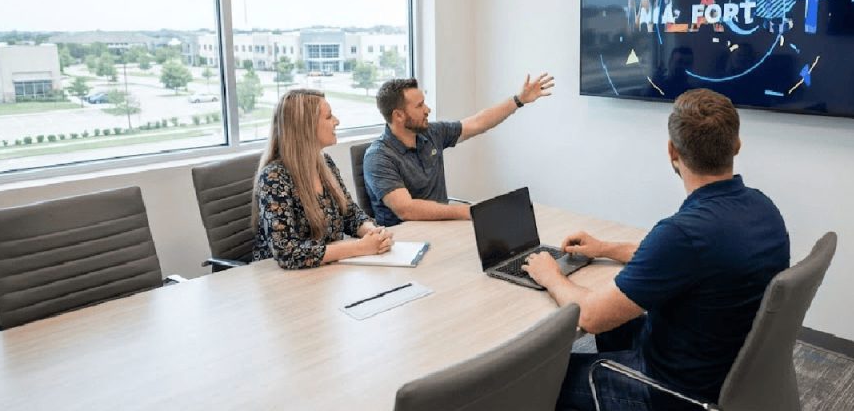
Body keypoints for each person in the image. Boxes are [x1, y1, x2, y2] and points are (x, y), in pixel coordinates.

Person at [523, 88, 790, 410]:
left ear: (672, 151)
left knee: (529, 381)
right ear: (736, 145)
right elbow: (682, 259)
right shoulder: (762, 207)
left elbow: (591, 318)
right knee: (618, 323)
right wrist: (604, 247)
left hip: (674, 392)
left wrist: (550, 275)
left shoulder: (682, 233)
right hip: (722, 365)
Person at [363, 74, 554, 226]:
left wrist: (518, 100)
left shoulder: (431, 133)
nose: (427, 109)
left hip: (442, 228)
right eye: (420, 105)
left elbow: (478, 123)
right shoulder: (378, 157)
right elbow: (407, 209)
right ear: (398, 115)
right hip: (404, 242)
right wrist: (468, 211)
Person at [252, 88, 394, 269]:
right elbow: (287, 252)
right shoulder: (274, 177)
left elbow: (350, 214)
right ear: (305, 126)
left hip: (326, 272)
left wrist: (372, 232)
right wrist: (359, 247)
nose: (337, 121)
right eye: (328, 117)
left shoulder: (325, 163)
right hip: (282, 281)